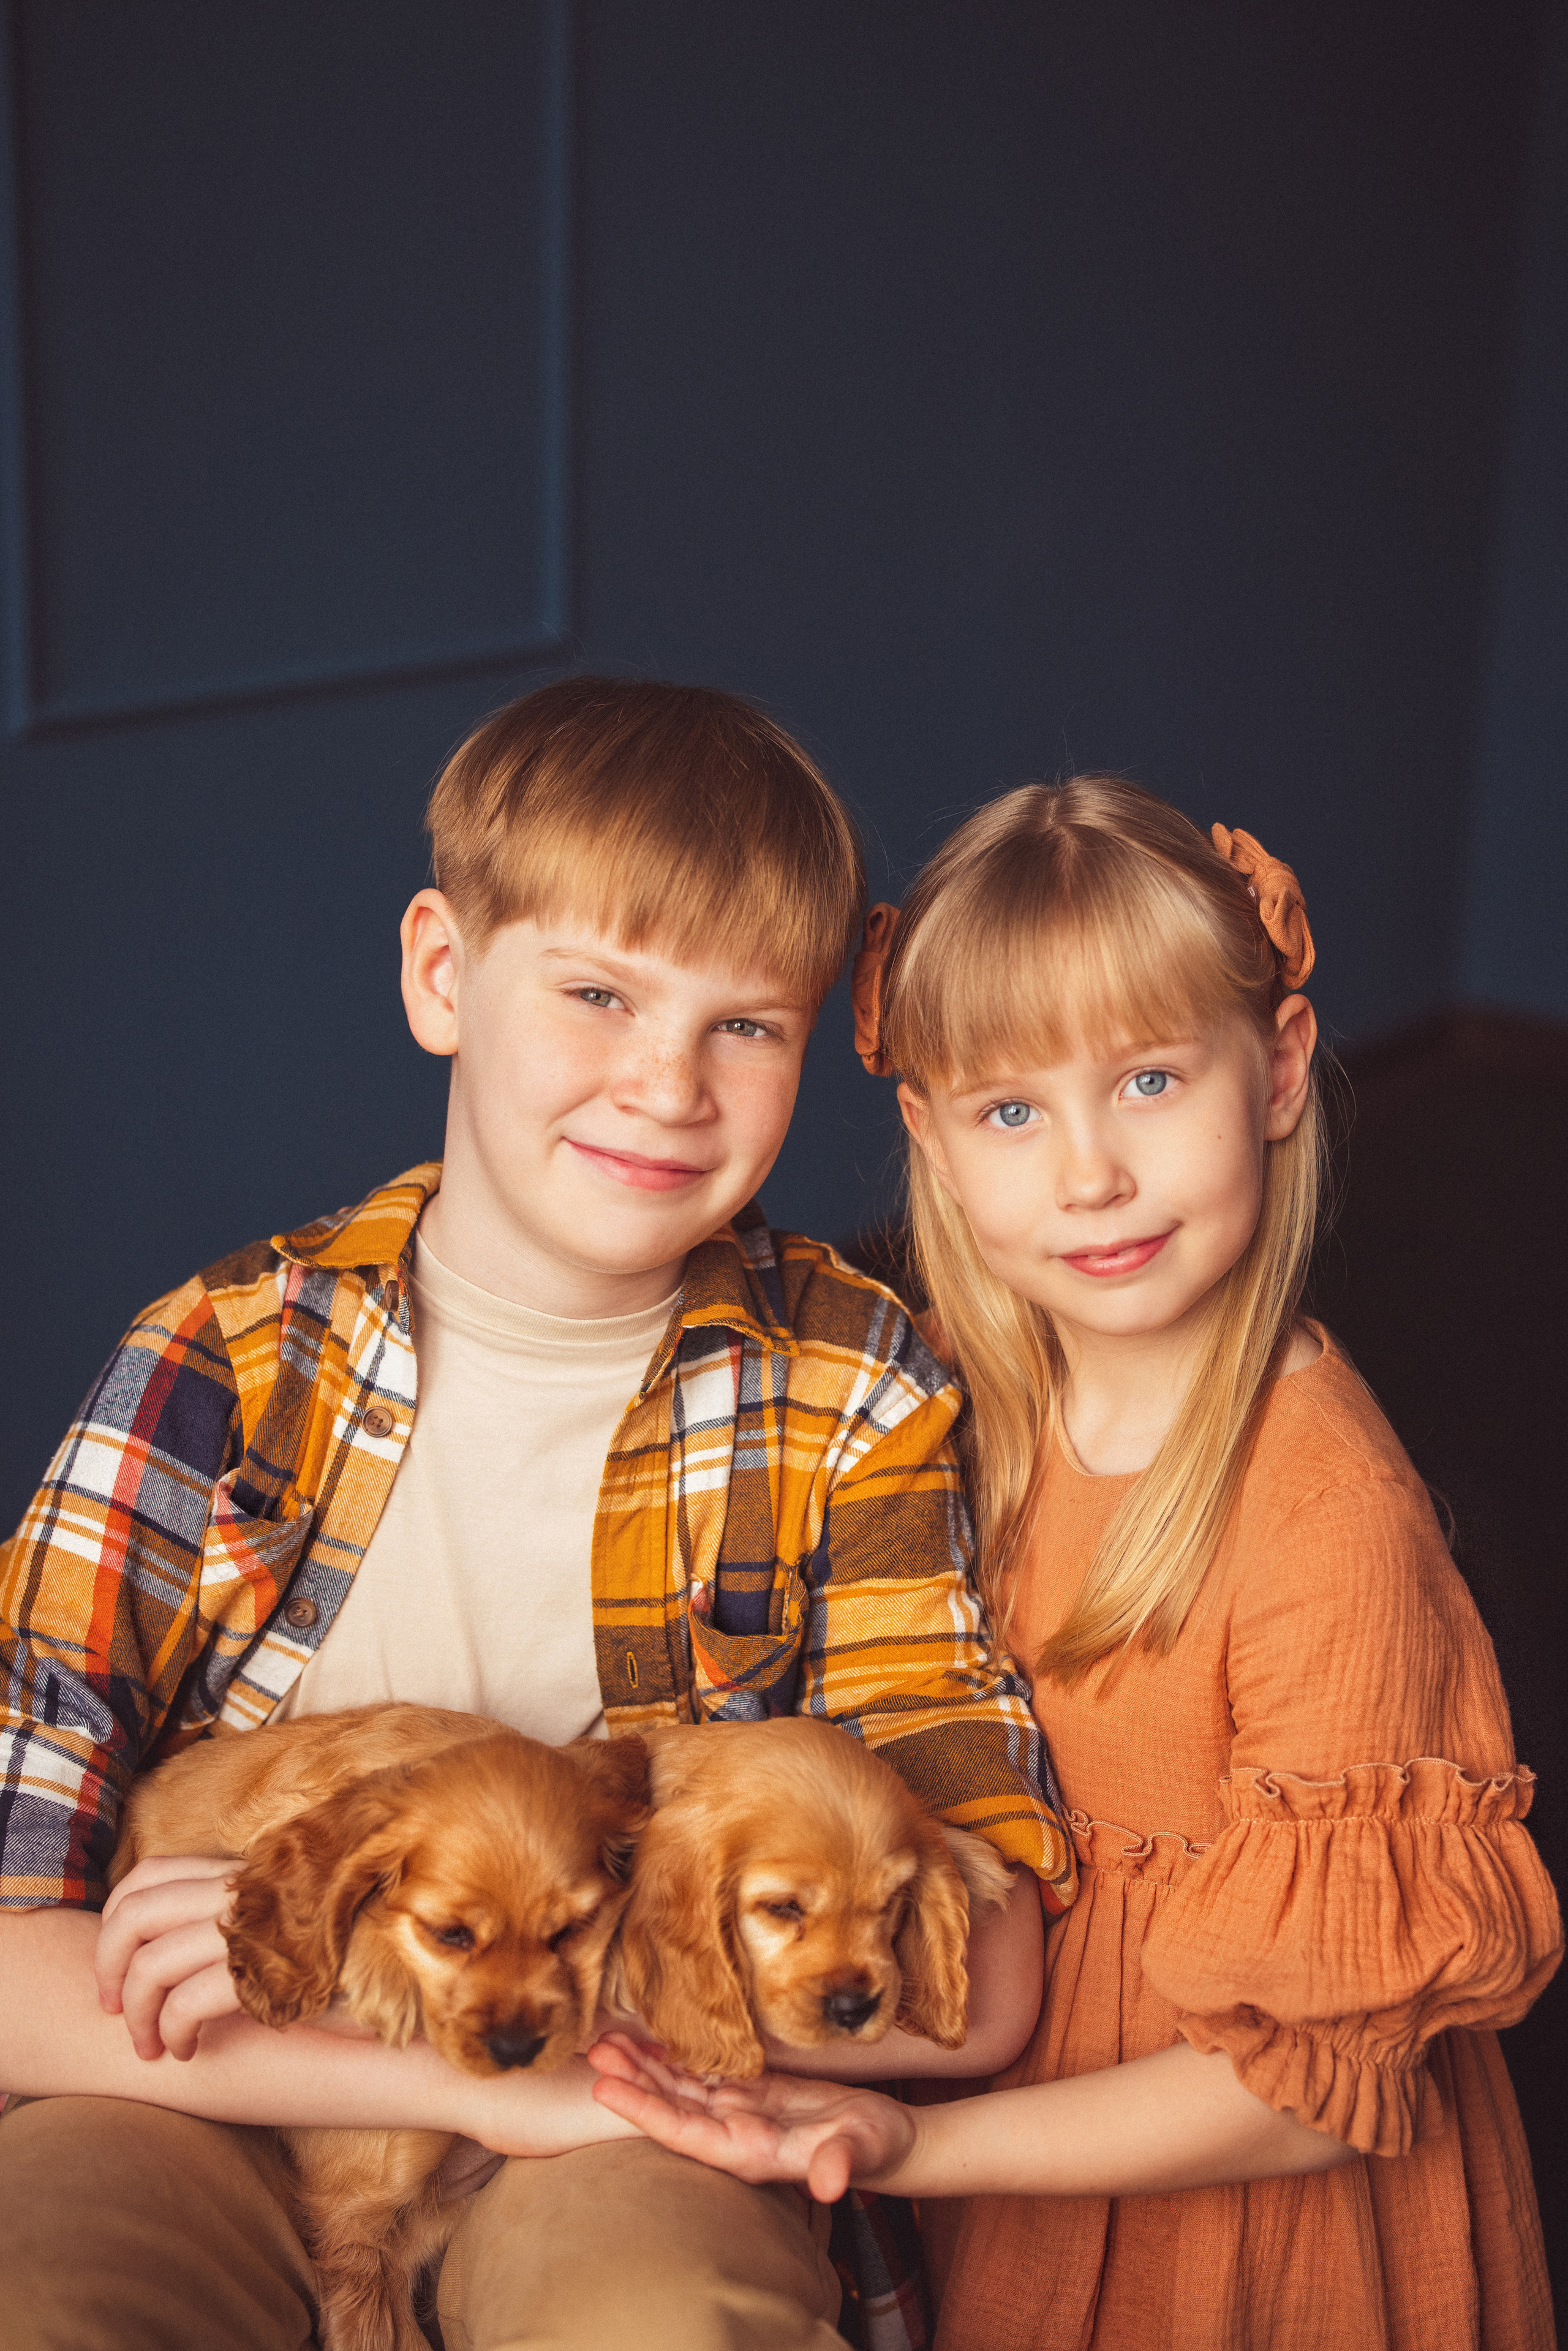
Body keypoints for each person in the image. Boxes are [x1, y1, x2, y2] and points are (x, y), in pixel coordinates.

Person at [0, 679, 1076, 2351]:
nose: (667, 1082)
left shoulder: (852, 1385)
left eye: (748, 1026)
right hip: (203, 2085)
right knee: (43, 2290)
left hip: (627, 2113)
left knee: (665, 2314)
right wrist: (421, 2063)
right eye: (597, 992)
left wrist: (541, 2052)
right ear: (444, 972)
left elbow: (979, 1979)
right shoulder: (223, 1359)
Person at [590, 775, 1564, 2350]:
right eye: (1010, 1111)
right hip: (1021, 2170)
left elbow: (1302, 2092)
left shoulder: (1326, 1515)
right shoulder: (940, 1406)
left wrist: (910, 2143)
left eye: (1149, 1079)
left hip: (1241, 2235)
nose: (1089, 1172)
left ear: (1278, 1070)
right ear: (928, 1134)